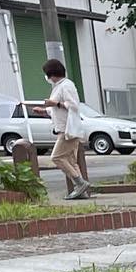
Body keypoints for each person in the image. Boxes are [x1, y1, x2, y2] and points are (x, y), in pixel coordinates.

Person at [42, 58, 92, 199]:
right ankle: (82, 191)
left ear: (51, 74)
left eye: (47, 74)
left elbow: (74, 105)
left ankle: (80, 183)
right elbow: (57, 108)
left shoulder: (66, 85)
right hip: (63, 127)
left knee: (57, 157)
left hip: (68, 129)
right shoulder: (58, 86)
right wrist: (45, 109)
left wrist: (55, 103)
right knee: (71, 161)